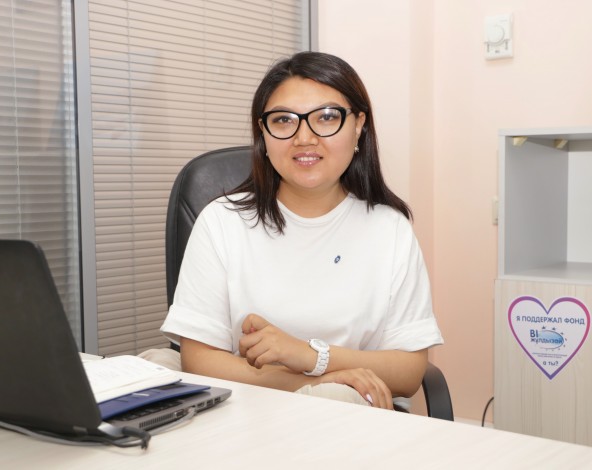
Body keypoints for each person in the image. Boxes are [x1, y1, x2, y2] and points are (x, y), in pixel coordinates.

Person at [144, 51, 443, 410]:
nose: (304, 137)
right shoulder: (221, 220)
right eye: (284, 120)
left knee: (334, 397)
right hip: (242, 404)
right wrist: (308, 381)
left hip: (347, 413)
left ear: (358, 125)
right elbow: (199, 360)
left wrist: (310, 355)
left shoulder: (389, 230)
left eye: (327, 117)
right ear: (263, 133)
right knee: (147, 369)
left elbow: (409, 372)